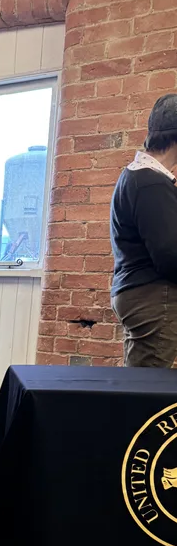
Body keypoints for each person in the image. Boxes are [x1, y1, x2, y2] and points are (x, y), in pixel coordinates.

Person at [110, 93, 177, 367]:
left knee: (137, 384)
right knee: (147, 394)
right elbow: (170, 255)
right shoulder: (151, 182)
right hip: (153, 297)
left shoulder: (138, 176)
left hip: (140, 294)